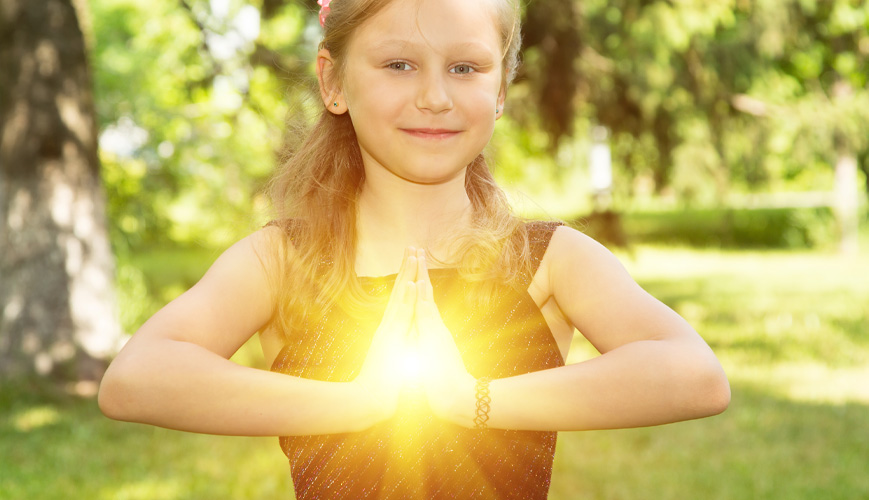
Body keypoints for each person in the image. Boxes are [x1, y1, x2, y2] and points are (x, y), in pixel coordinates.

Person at [98, 0, 731, 497]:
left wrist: (473, 400)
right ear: (333, 80)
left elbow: (696, 377)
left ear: (502, 89)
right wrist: (358, 403)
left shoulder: (548, 260)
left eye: (466, 67)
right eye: (399, 64)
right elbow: (134, 379)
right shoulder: (284, 261)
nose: (435, 96)